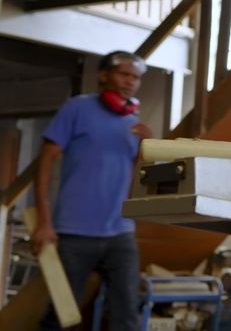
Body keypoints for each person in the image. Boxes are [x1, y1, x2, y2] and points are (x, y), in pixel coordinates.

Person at [34, 51, 152, 331]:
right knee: (62, 314)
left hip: (121, 232)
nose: (130, 82)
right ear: (103, 75)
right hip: (75, 231)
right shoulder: (77, 108)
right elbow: (46, 161)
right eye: (124, 74)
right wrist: (44, 222)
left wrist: (148, 146)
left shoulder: (132, 122)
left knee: (127, 312)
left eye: (135, 77)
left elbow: (135, 175)